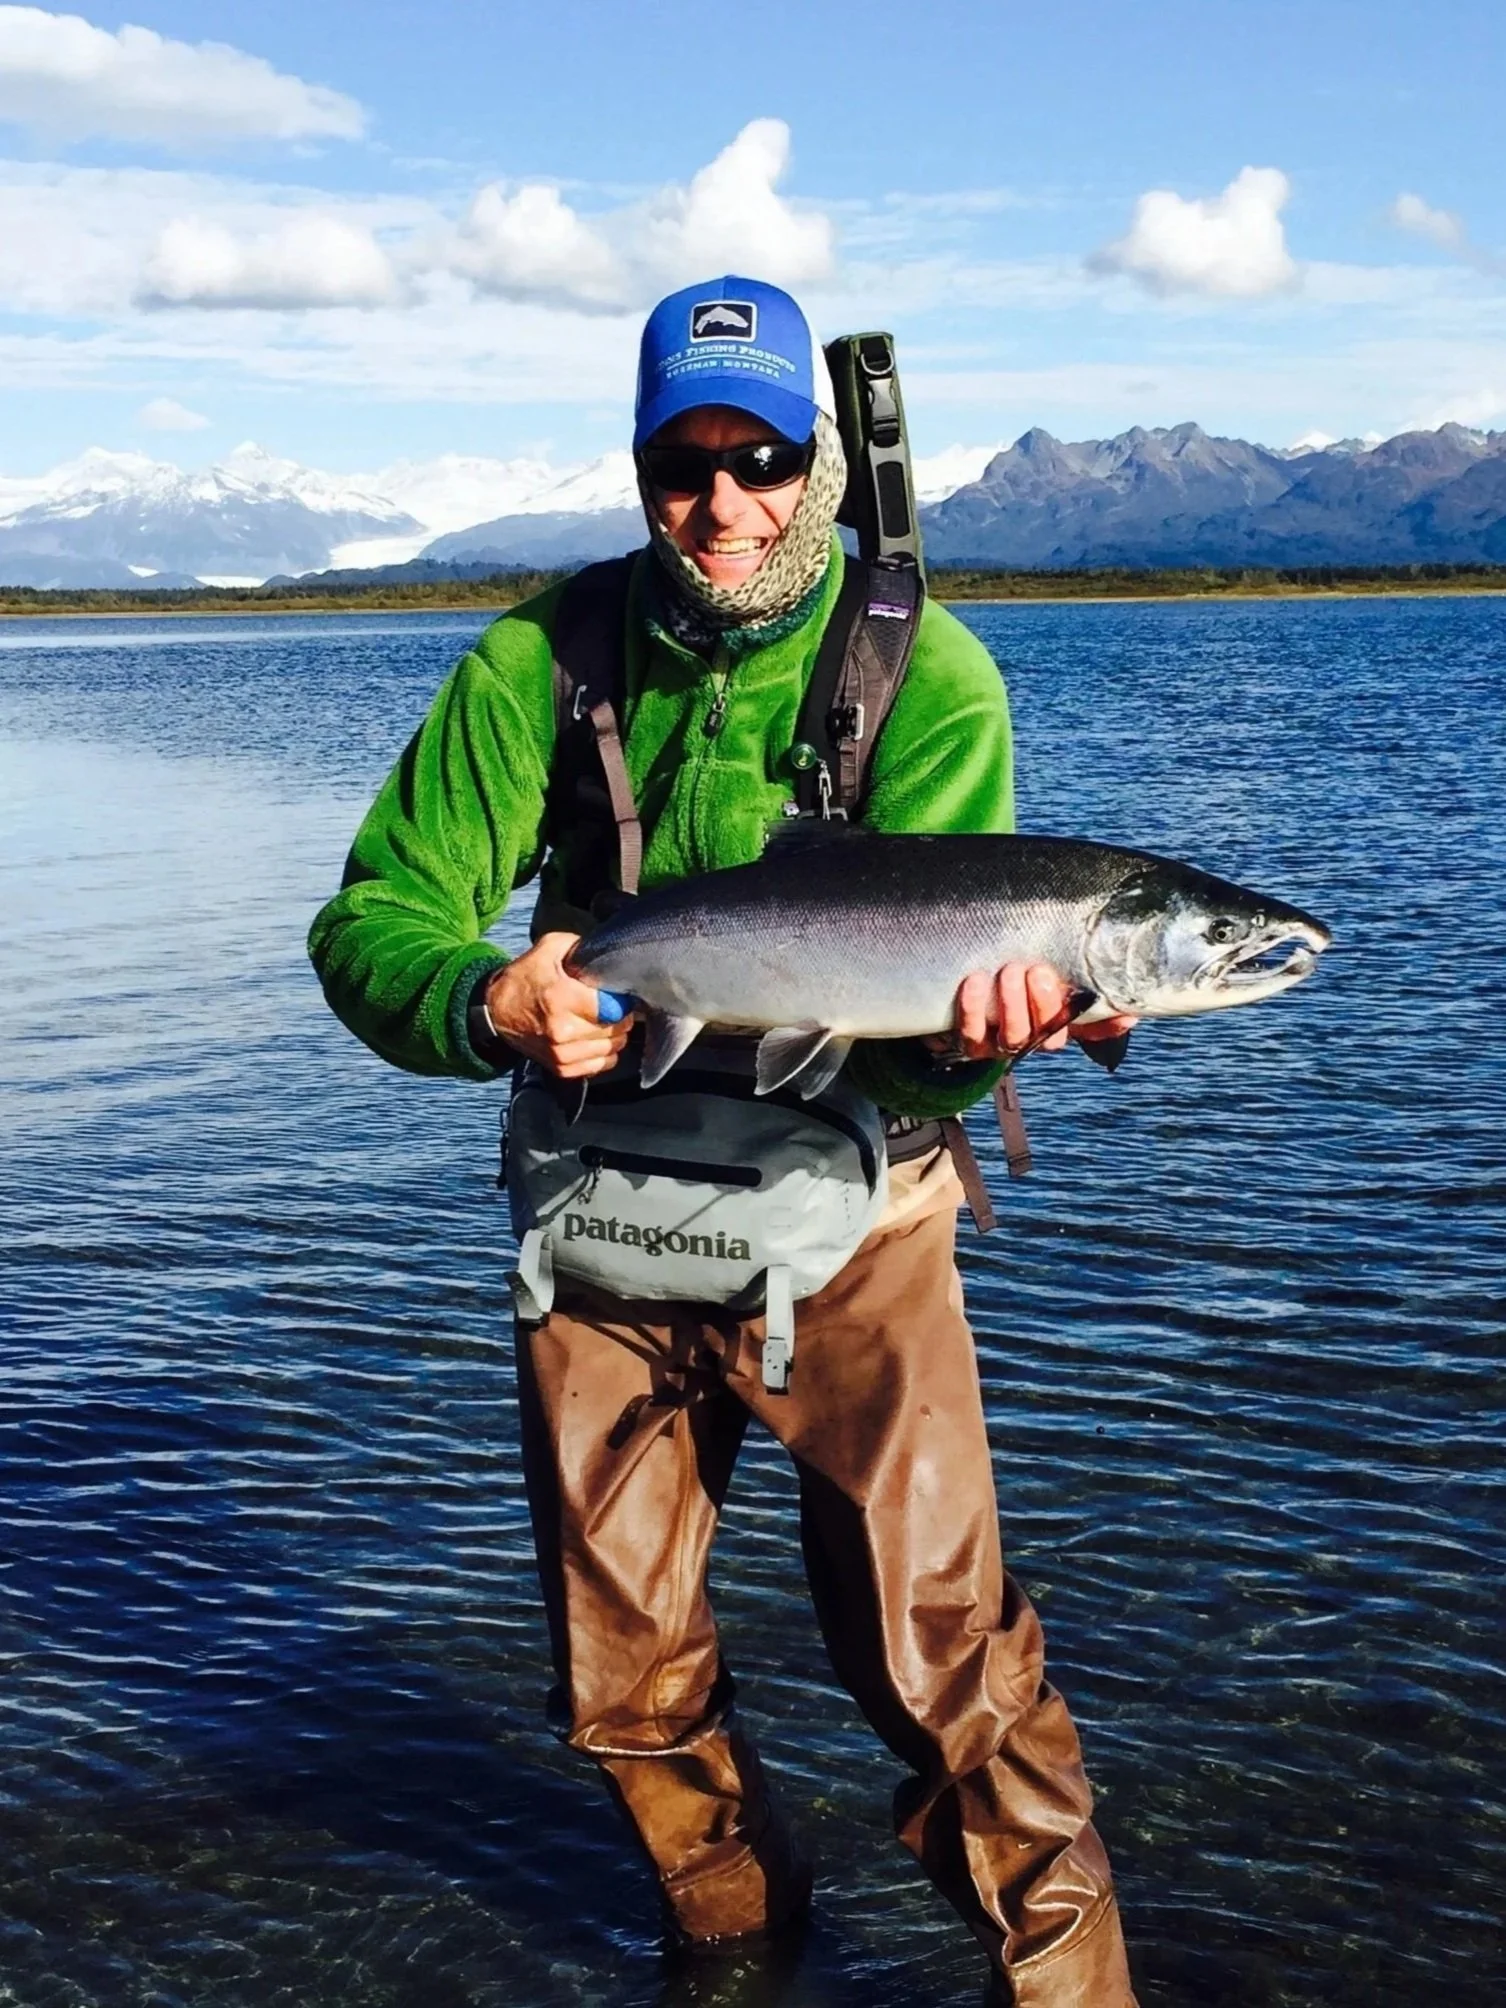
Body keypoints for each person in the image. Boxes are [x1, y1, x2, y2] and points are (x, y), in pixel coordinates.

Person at [308, 275, 1138, 2007]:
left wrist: (978, 1051)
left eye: (761, 458)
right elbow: (375, 921)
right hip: (594, 1243)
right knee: (623, 1686)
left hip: (854, 1242)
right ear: (637, 472)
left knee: (952, 1681)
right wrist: (487, 1001)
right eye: (682, 465)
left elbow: (917, 1052)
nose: (725, 506)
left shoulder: (930, 676)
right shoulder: (535, 661)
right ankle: (736, 1954)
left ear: (818, 466)